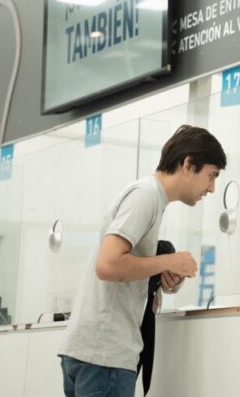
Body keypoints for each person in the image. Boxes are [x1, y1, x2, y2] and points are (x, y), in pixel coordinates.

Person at [59, 124, 227, 397]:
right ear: (188, 165)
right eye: (211, 176)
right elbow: (108, 265)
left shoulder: (149, 197)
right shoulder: (146, 196)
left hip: (90, 353)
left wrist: (161, 272)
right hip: (105, 356)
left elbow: (120, 264)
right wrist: (168, 261)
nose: (212, 188)